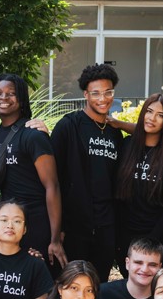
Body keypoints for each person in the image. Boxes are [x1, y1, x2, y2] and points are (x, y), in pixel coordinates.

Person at [51, 64, 124, 280]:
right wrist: (58, 228)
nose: (103, 98)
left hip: (105, 226)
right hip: (74, 226)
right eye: (96, 93)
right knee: (71, 284)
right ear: (86, 94)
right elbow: (53, 179)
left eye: (108, 92)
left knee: (98, 284)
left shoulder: (114, 133)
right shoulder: (69, 126)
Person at [0, 73, 64, 266]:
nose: (3, 98)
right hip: (10, 222)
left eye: (11, 93)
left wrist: (54, 239)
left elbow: (52, 186)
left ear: (21, 100)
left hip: (35, 222)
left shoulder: (33, 136)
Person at [114, 93, 163, 269]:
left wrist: (152, 238)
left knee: (158, 288)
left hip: (162, 236)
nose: (152, 118)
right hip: (127, 234)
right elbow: (118, 195)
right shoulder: (127, 146)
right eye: (149, 111)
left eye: (160, 115)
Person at [98, 238, 162, 299]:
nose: (145, 269)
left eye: (152, 265)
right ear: (127, 263)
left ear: (159, 267)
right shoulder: (102, 294)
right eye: (138, 262)